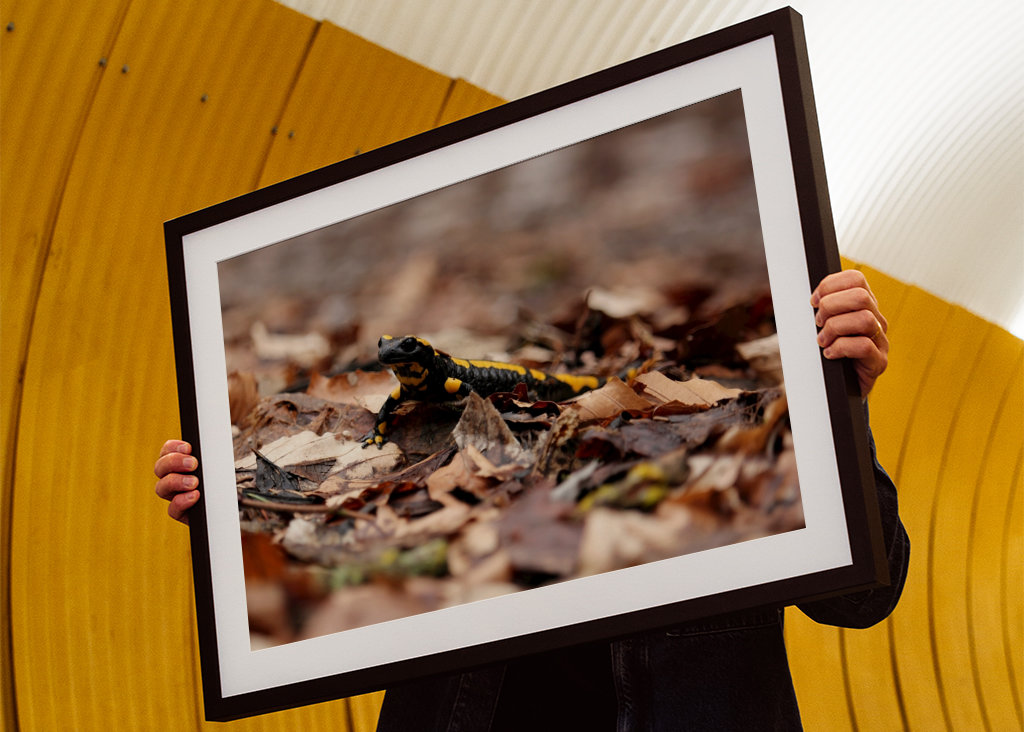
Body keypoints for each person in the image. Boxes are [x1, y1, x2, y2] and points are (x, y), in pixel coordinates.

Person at [155, 270, 908, 730]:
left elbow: (865, 596)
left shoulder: (754, 404)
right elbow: (342, 564)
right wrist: (232, 502)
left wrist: (834, 405)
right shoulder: (454, 417)